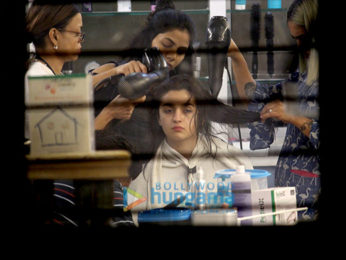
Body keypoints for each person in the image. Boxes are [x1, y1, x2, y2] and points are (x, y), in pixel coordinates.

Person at [92, 0, 255, 131]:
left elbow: (220, 112)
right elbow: (76, 86)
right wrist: (116, 71)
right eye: (167, 44)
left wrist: (259, 116)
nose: (173, 56)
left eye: (181, 50)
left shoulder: (179, 84)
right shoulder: (120, 68)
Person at [128, 74, 255, 216]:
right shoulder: (143, 173)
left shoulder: (234, 161)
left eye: (187, 110)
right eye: (168, 111)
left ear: (200, 117)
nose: (177, 118)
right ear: (158, 117)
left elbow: (255, 215)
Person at [247, 0, 319, 221]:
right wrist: (236, 59)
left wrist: (293, 117)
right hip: (290, 204)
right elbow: (267, 93)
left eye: (302, 37)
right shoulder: (305, 72)